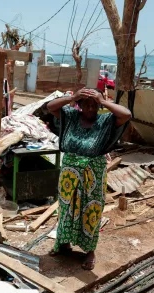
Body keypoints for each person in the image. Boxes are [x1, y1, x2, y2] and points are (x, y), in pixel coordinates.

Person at [47, 88, 131, 270]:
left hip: (93, 173)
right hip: (69, 173)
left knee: (91, 210)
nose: (91, 108)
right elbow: (50, 107)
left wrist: (103, 101)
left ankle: (90, 251)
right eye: (87, 104)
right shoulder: (70, 116)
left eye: (94, 104)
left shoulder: (106, 120)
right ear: (80, 105)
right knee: (67, 208)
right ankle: (63, 243)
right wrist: (73, 97)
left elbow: (126, 114)